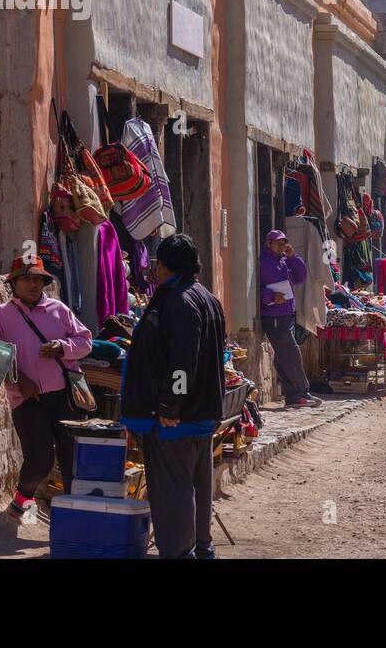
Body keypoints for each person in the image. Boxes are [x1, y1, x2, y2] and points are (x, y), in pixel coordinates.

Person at [120, 234, 226, 559]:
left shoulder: (178, 301)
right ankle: (201, 549)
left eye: (157, 264)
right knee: (197, 487)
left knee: (173, 494)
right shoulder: (207, 298)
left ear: (164, 266)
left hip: (176, 419)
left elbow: (183, 359)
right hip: (200, 413)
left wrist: (170, 403)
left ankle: (181, 553)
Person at [0, 254, 93, 524]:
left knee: (72, 461)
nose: (33, 284)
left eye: (37, 279)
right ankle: (23, 496)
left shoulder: (59, 310)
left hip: (65, 397)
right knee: (40, 460)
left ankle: (74, 522)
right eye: (26, 279)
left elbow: (85, 342)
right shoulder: (1, 316)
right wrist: (19, 380)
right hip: (27, 400)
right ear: (14, 284)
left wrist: (63, 347)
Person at [258, 229, 321, 409]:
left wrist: (293, 257)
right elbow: (253, 290)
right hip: (274, 316)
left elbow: (301, 277)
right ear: (268, 243)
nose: (282, 245)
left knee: (283, 358)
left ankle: (293, 396)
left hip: (286, 314)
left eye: (283, 242)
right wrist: (271, 297)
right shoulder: (263, 261)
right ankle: (302, 392)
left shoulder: (284, 260)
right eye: (278, 242)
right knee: (291, 354)